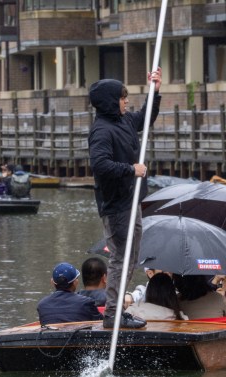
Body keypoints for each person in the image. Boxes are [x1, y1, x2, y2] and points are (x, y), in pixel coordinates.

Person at [88, 68, 162, 329]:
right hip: (117, 204)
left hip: (133, 200)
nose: (126, 101)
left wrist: (154, 91)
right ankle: (112, 314)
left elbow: (145, 118)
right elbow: (100, 165)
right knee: (121, 257)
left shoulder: (124, 121)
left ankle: (118, 308)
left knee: (131, 256)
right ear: (111, 101)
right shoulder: (102, 131)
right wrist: (131, 169)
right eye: (122, 98)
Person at [37, 262, 104, 325]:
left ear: (52, 282)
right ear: (75, 282)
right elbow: (101, 323)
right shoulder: (86, 302)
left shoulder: (42, 305)